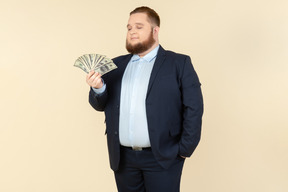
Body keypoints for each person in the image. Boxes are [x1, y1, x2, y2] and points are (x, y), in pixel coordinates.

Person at [86, 6, 203, 192]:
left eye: (139, 27)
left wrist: (183, 150)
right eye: (129, 27)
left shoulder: (179, 63)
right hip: (123, 159)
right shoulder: (114, 65)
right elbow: (100, 104)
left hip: (163, 157)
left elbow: (194, 108)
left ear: (155, 31)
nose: (132, 31)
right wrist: (98, 89)